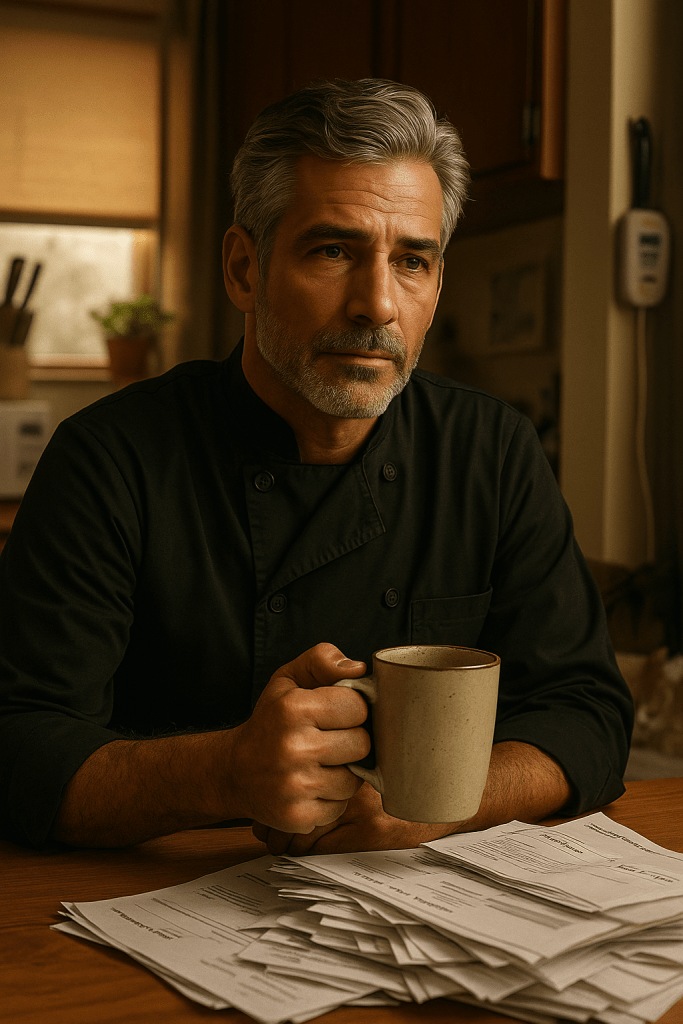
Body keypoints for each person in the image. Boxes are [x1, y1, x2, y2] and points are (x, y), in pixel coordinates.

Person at [0, 79, 632, 854]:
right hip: (158, 900)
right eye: (333, 250)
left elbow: (588, 711)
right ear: (243, 268)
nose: (376, 305)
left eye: (412, 261)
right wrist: (223, 772)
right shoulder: (111, 458)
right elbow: (16, 744)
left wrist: (445, 802)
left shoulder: (491, 451)